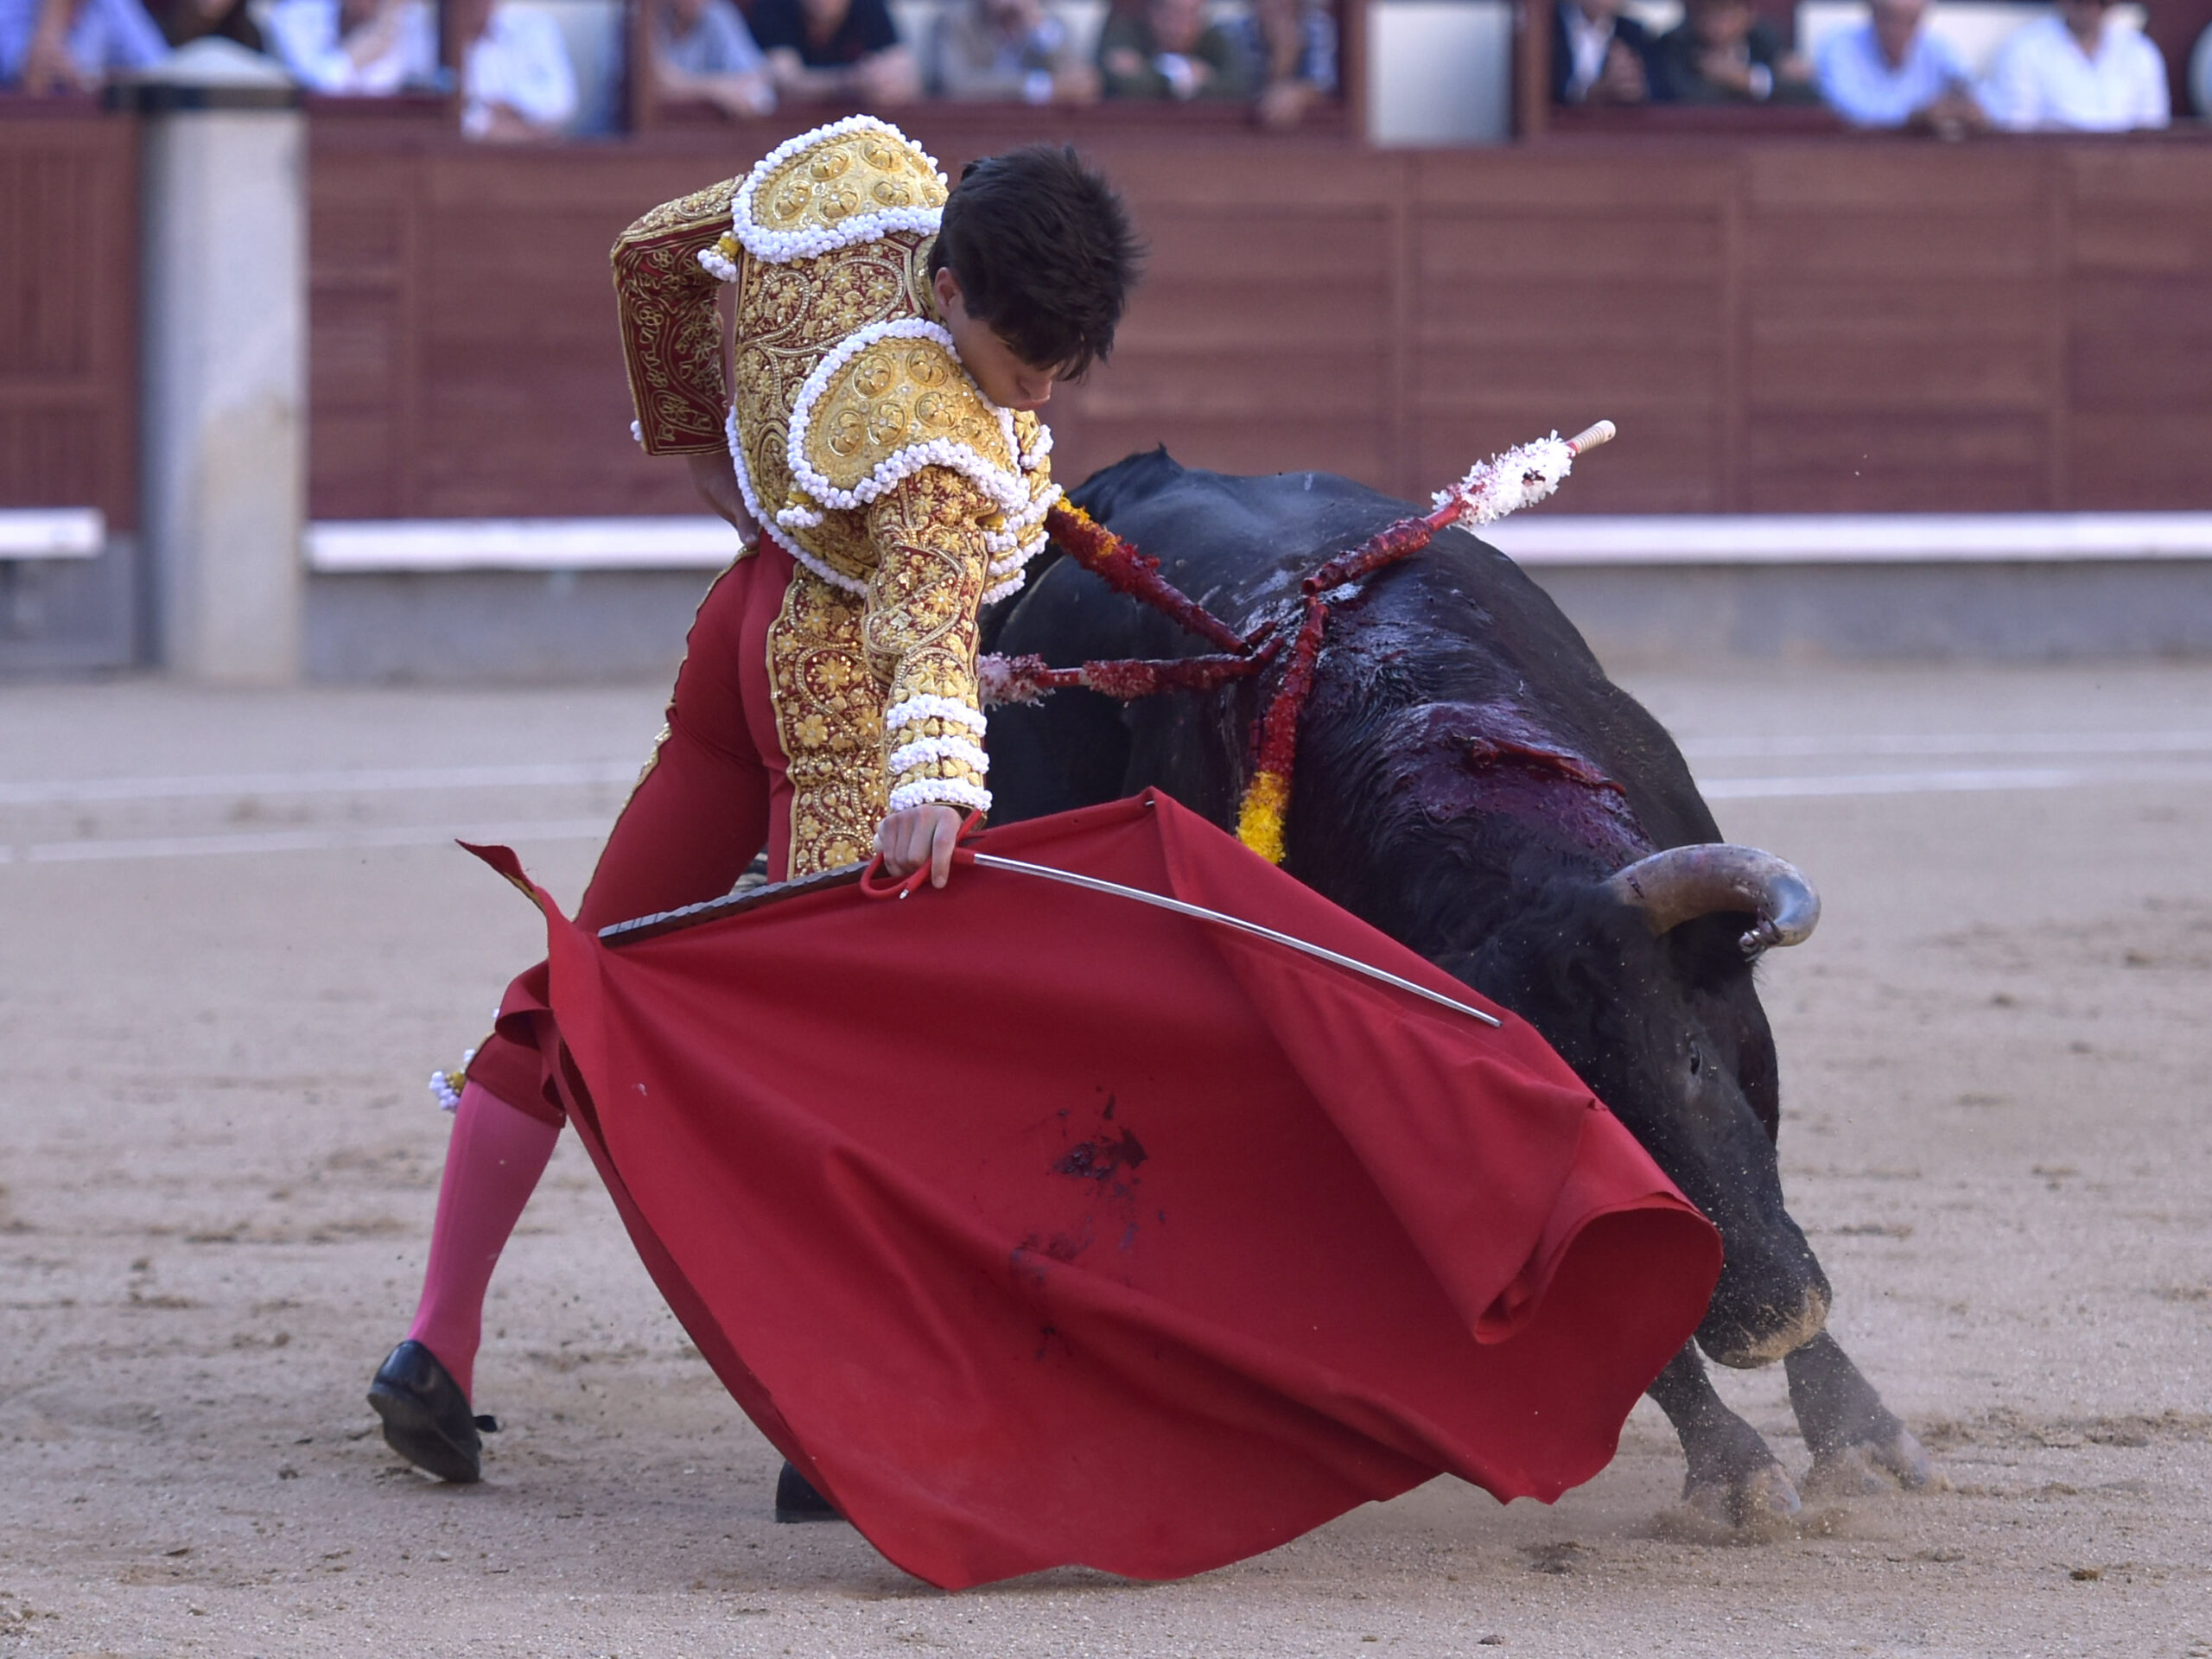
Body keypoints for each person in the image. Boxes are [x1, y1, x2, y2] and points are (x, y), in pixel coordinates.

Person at [367, 124, 1138, 1492]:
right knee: (847, 1045)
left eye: (1061, 373)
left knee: (586, 969)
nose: (1033, 397)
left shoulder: (859, 199)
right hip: (834, 686)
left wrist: (697, 448)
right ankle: (826, 1430)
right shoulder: (939, 432)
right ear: (953, 294)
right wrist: (935, 776)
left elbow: (650, 254)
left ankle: (436, 1340)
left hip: (739, 630)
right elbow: (920, 611)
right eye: (1027, 368)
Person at [1980, 0, 2167, 131]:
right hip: (2050, 172)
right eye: (2081, 0)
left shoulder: (2140, 52)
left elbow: (2151, 131)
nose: (2091, 6)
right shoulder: (2024, 49)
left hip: (2123, 172)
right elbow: (2017, 130)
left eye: (2101, 1)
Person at [1814, 0, 1984, 133]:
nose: (1900, 29)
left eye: (1911, 20)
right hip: (1858, 159)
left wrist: (1968, 108)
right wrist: (1915, 115)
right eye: (1890, 17)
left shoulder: (1938, 47)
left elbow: (1974, 91)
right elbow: (1849, 108)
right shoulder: (1841, 44)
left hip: (1927, 161)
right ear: (1873, 13)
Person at [747, 0, 918, 105]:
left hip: (857, 126)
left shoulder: (869, 6)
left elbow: (908, 78)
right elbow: (784, 82)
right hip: (788, 131)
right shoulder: (774, 7)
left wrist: (885, 84)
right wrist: (851, 81)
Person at [450, 0, 577, 139]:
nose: (474, 4)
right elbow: (447, 117)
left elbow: (561, 102)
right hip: (465, 155)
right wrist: (487, 124)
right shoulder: (433, 34)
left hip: (534, 150)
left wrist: (505, 107)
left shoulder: (535, 26)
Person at [927, 0, 1096, 103]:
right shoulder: (954, 22)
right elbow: (957, 85)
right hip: (974, 127)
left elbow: (1077, 82)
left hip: (1039, 129)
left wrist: (1037, 25)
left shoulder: (1049, 24)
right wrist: (1037, 87)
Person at [1651, 0, 1816, 104]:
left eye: (1725, 11)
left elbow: (1805, 91)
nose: (1715, 24)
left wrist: (1750, 80)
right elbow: (1682, 95)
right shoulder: (1676, 44)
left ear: (1748, 15)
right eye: (1707, 13)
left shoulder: (1765, 39)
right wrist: (1727, 81)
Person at [264, 0, 435, 94]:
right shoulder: (294, 15)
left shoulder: (408, 19)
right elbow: (325, 87)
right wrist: (372, 43)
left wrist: (387, 24)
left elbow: (417, 87)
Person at [1096, 0, 1248, 100]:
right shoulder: (1125, 33)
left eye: (1191, 14)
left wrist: (1148, 69)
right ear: (1153, 13)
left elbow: (1237, 86)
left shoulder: (1214, 39)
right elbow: (1120, 83)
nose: (1180, 26)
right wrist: (1188, 76)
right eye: (1172, 14)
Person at [3, 0, 166, 90]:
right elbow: (35, 78)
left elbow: (162, 75)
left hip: (89, 133)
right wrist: (50, 30)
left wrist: (93, 83)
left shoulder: (112, 5)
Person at [651, 0, 774, 118]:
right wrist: (717, 90)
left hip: (711, 129)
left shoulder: (717, 14)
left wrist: (733, 91)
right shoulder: (650, 19)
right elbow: (660, 84)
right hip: (667, 127)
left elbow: (757, 74)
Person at [1229, 0, 1335, 127]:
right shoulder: (1235, 32)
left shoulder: (1316, 27)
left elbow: (1323, 84)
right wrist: (1281, 61)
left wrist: (1298, 94)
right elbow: (1241, 93)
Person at [1552, 0, 1656, 106]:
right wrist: (1588, 95)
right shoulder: (1545, 27)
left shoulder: (1633, 34)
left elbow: (1658, 92)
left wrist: (1636, 88)